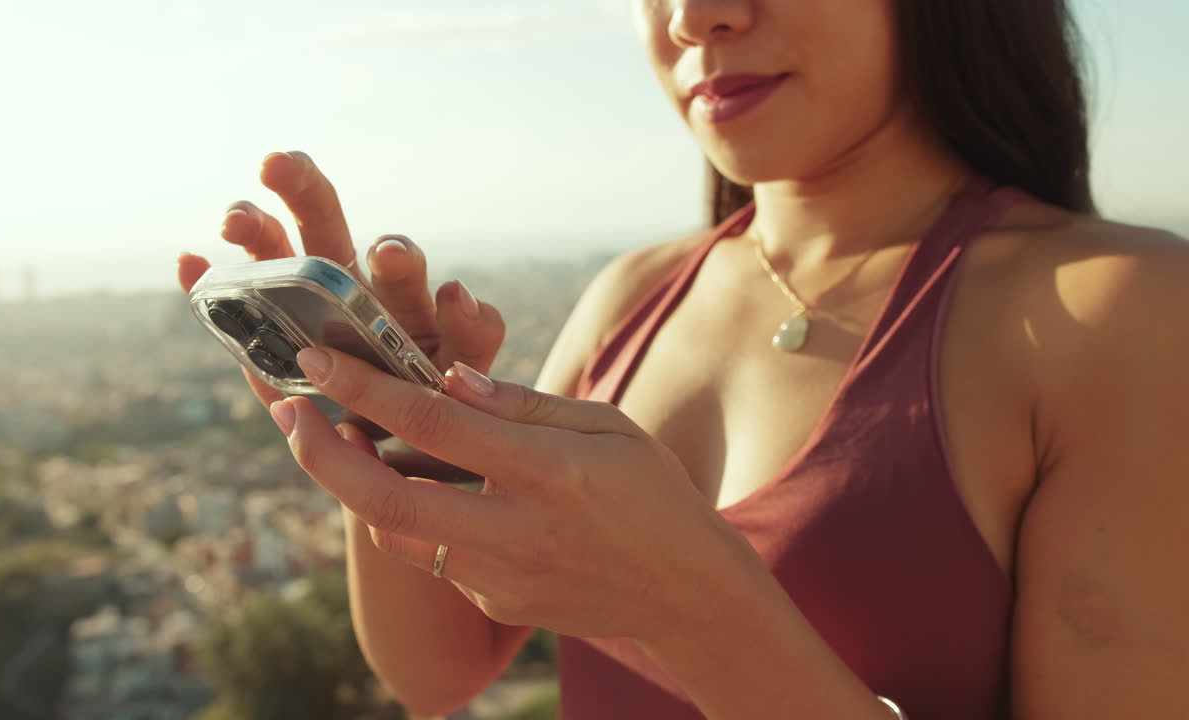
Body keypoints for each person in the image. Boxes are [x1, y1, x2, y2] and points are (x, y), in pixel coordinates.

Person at [177, 1, 1189, 718]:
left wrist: (694, 615)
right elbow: (436, 674)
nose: (695, 16)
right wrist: (391, 432)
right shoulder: (632, 296)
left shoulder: (1121, 314)